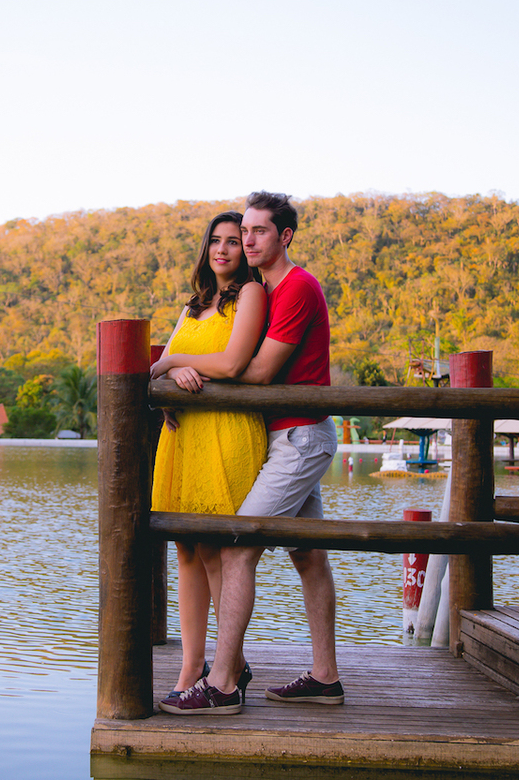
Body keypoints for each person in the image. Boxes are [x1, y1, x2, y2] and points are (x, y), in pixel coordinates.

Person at [159, 191, 340, 715]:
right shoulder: (270, 288)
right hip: (287, 436)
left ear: (283, 236)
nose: (250, 239)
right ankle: (325, 676)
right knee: (307, 555)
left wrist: (170, 363)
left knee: (237, 547)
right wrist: (174, 368)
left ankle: (221, 683)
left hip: (299, 437)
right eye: (247, 231)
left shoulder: (297, 288)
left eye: (259, 231)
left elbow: (253, 371)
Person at [149, 210, 267, 704]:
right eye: (215, 241)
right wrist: (171, 376)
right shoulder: (193, 306)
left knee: (220, 552)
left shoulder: (252, 296)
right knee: (187, 552)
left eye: (233, 242)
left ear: (245, 249)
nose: (223, 250)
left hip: (227, 432)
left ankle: (228, 668)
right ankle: (190, 668)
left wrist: (178, 362)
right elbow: (155, 368)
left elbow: (231, 363)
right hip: (185, 436)